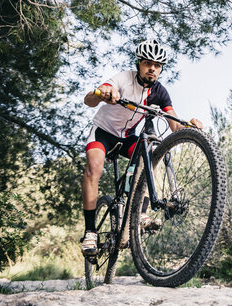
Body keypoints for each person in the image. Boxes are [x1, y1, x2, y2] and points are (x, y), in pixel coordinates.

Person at [81, 40, 203, 255]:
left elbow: (174, 124)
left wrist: (189, 125)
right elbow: (89, 100)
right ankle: (90, 231)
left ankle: (140, 213)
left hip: (128, 137)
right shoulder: (123, 78)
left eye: (157, 65)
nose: (152, 68)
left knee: (149, 161)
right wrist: (103, 92)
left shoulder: (159, 92)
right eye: (148, 63)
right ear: (139, 64)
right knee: (94, 168)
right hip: (103, 133)